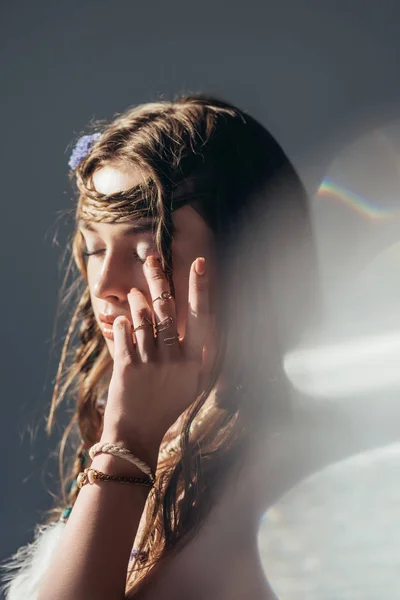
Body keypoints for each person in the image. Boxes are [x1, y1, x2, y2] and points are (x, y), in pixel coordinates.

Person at [1, 93, 318, 599]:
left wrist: (125, 448)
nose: (103, 282)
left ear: (246, 252)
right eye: (94, 247)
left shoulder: (296, 475)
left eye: (148, 246)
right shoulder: (147, 439)